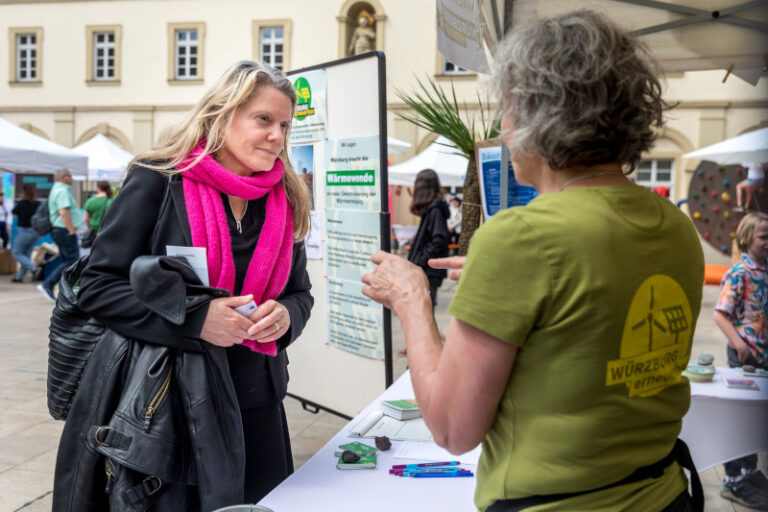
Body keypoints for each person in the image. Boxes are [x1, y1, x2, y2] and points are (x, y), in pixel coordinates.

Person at [362, 10, 704, 512]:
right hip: (663, 492)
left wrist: (411, 299)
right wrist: (499, 286)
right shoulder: (675, 224)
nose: (502, 126)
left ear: (534, 112)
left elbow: (453, 429)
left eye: (506, 107)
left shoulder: (521, 237)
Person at [75, 60, 313, 505]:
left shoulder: (285, 196)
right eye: (263, 119)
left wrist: (286, 316)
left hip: (259, 403)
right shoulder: (158, 179)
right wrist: (196, 319)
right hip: (174, 410)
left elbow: (300, 293)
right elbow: (98, 286)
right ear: (222, 114)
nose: (277, 136)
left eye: (284, 124)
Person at [713, 212, 768, 509]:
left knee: (756, 417)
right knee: (741, 416)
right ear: (747, 239)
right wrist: (738, 344)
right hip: (745, 353)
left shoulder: (765, 269)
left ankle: (750, 471)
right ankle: (733, 480)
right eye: (764, 237)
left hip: (764, 354)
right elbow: (720, 313)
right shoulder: (740, 272)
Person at [38, 169, 83, 302]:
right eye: (70, 176)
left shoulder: (56, 189)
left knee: (68, 262)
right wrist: (71, 230)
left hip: (60, 230)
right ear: (64, 177)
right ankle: (49, 284)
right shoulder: (62, 191)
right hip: (65, 230)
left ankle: (68, 291)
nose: (72, 179)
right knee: (73, 261)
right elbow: (64, 212)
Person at [407, 169, 450, 309]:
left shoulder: (435, 210)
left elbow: (439, 239)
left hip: (429, 272)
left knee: (424, 313)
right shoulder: (432, 209)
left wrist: (420, 261)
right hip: (427, 270)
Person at [10, 183, 39, 282]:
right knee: (26, 255)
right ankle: (19, 277)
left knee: (16, 253)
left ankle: (34, 267)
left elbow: (14, 212)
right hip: (35, 232)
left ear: (23, 191)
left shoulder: (21, 203)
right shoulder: (37, 203)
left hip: (24, 230)